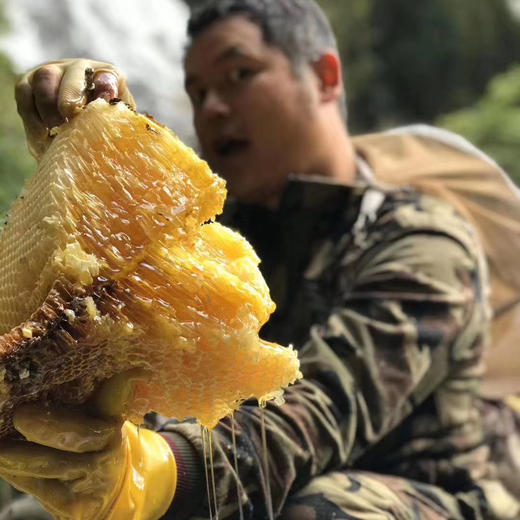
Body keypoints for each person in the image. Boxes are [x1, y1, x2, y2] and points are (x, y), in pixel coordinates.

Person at [1, 0, 520, 518]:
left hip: (430, 492)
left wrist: (155, 473)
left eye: (238, 75)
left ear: (324, 77)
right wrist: (99, 142)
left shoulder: (425, 240)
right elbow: (102, 335)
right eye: (197, 93)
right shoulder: (218, 244)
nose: (212, 110)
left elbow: (319, 409)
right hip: (245, 480)